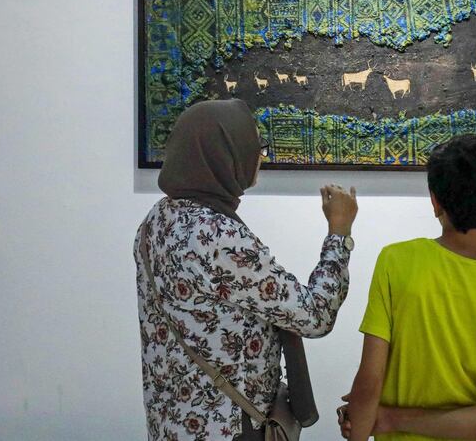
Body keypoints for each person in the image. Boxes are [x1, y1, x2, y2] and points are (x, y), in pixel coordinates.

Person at [133, 99, 358, 441]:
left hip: (172, 424)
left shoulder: (155, 220)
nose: (260, 157)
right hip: (227, 427)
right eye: (255, 148)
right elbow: (315, 315)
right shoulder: (219, 236)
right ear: (226, 155)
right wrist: (339, 233)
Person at [344, 134, 476, 441]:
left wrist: (372, 421)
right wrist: (387, 419)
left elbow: (370, 381)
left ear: (436, 201)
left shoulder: (396, 261)